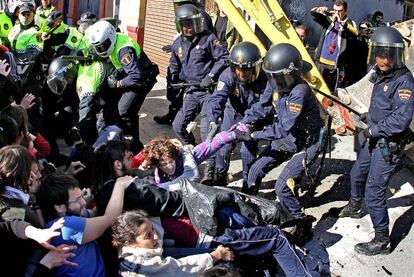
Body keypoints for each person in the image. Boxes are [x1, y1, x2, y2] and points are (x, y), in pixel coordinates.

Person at [338, 27, 414, 256]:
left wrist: (374, 129)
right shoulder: (379, 73)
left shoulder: (404, 82)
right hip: (373, 137)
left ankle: (382, 239)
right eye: (379, 54)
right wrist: (366, 117)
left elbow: (400, 120)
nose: (382, 60)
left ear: (396, 56)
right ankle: (354, 205)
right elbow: (377, 104)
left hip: (388, 144)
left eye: (388, 55)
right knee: (357, 174)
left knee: (375, 190)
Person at [237, 44, 323, 226]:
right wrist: (245, 123)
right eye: (271, 77)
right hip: (288, 138)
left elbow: (283, 128)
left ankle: (300, 221)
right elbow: (262, 106)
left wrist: (253, 135)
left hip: (307, 142)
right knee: (254, 171)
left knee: (282, 186)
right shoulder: (275, 79)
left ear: (290, 74)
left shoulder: (300, 92)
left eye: (278, 78)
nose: (274, 82)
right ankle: (246, 207)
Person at [111, 209, 320, 277]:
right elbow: (175, 269)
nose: (156, 237)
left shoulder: (134, 256)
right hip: (209, 240)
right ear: (131, 242)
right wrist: (214, 256)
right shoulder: (142, 266)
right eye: (148, 236)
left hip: (207, 241)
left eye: (153, 231)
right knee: (275, 236)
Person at [170, 4, 229, 184]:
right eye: (185, 24)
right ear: (179, 25)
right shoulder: (177, 43)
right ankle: (195, 150)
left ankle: (209, 170)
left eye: (192, 23)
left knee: (207, 132)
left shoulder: (209, 38)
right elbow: (174, 65)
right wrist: (173, 80)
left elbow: (224, 57)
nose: (189, 28)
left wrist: (211, 76)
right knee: (178, 126)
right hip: (192, 91)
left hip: (208, 93)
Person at [37, 172, 134, 276]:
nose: (83, 202)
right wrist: (120, 185)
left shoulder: (70, 217)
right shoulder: (65, 226)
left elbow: (96, 214)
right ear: (59, 207)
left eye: (81, 196)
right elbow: (110, 218)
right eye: (77, 199)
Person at [87, 20, 159, 153]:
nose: (100, 50)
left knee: (125, 112)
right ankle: (131, 145)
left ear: (110, 39)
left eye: (103, 46)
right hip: (130, 76)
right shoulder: (114, 41)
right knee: (115, 108)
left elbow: (137, 76)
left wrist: (118, 83)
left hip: (141, 81)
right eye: (98, 47)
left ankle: (133, 148)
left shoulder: (124, 50)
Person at [206, 41, 268, 186]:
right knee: (223, 148)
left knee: (247, 153)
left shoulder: (265, 80)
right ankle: (220, 181)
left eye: (246, 70)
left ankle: (248, 184)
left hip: (254, 119)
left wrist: (247, 123)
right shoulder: (227, 76)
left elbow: (265, 106)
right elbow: (216, 99)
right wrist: (212, 120)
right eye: (238, 69)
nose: (242, 74)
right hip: (233, 114)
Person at [153, 0, 215, 126]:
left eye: (180, 4)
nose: (178, 7)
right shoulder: (184, 15)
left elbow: (200, 41)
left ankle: (188, 117)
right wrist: (175, 47)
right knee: (175, 86)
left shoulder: (198, 15)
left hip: (196, 63)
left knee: (191, 93)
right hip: (185, 60)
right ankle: (174, 115)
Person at [310, 0, 358, 90]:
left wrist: (341, 23)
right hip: (320, 62)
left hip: (334, 65)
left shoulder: (350, 23)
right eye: (335, 10)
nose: (336, 13)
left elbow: (355, 33)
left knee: (329, 90)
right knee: (314, 87)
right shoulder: (329, 19)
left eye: (339, 11)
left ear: (345, 11)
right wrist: (319, 10)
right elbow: (313, 13)